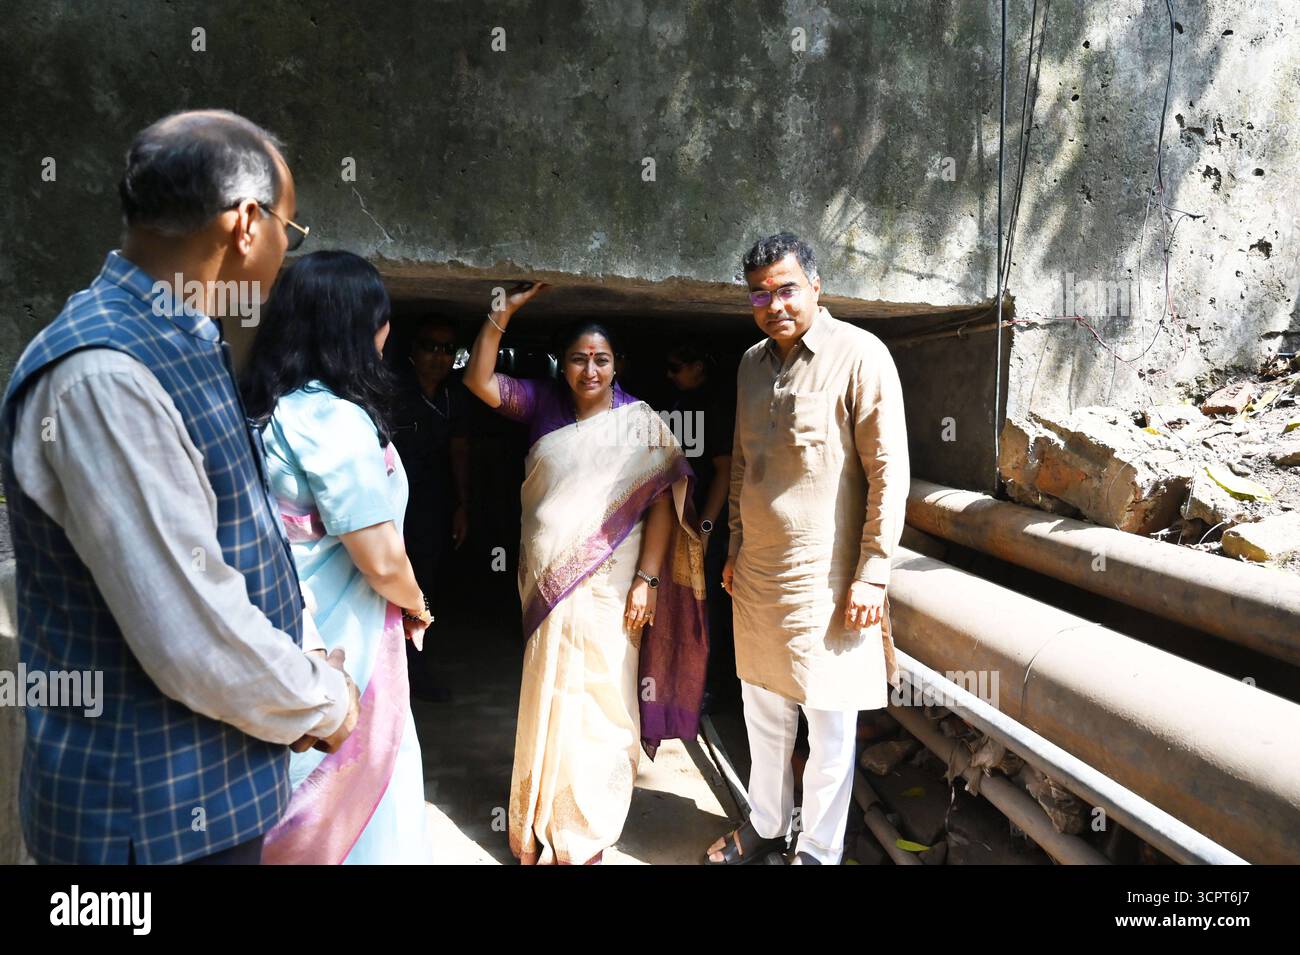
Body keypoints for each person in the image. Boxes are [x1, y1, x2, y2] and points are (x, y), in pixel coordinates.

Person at [0, 110, 359, 865]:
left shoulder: (185, 339)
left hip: (208, 803)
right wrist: (324, 700)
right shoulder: (103, 375)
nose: (284, 259)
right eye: (289, 236)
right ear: (247, 225)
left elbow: (235, 537)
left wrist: (304, 653)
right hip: (145, 828)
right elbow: (189, 632)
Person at [464, 283, 709, 865]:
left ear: (616, 364)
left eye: (601, 359)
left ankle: (586, 826)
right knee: (550, 690)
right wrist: (498, 316)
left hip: (613, 588)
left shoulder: (640, 423)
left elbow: (661, 507)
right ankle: (541, 816)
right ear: (562, 363)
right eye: (579, 358)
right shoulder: (542, 403)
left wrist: (647, 582)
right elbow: (478, 382)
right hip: (548, 584)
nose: (590, 369)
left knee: (604, 695)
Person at [706, 232, 909, 866]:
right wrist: (735, 547)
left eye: (787, 288)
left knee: (829, 724)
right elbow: (742, 466)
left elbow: (889, 472)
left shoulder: (861, 355)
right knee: (762, 709)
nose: (774, 304)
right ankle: (766, 824)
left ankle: (817, 853)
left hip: (828, 581)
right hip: (759, 575)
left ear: (816, 287)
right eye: (760, 294)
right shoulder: (748, 365)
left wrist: (873, 573)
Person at [241, 250, 433, 865]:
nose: (387, 332)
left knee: (293, 780)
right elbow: (379, 557)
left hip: (282, 625)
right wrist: (418, 603)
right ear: (353, 326)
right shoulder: (334, 418)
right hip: (340, 633)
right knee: (362, 780)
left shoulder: (272, 408)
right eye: (380, 317)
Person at [390, 315, 471, 700]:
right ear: (411, 350)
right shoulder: (391, 390)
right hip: (386, 508)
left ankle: (415, 672)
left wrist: (462, 505)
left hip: (432, 507)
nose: (438, 356)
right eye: (429, 346)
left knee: (424, 589)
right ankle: (385, 675)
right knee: (383, 584)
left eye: (447, 349)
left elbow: (459, 449)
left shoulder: (455, 395)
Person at [664, 341, 738, 710]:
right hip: (681, 519)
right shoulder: (678, 404)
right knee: (686, 601)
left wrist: (706, 528)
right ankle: (689, 678)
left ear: (699, 366)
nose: (670, 375)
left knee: (709, 605)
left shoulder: (716, 406)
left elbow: (725, 472)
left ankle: (713, 687)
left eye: (677, 367)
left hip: (708, 525)